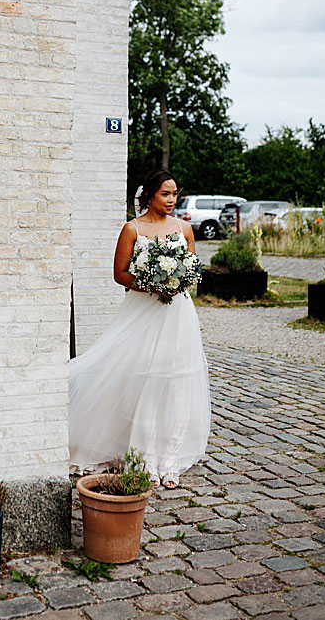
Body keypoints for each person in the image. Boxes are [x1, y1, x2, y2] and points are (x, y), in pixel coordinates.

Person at [67, 169, 211, 489]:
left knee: (177, 383)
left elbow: (190, 271)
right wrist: (151, 284)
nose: (171, 200)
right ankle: (144, 458)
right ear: (149, 195)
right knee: (145, 379)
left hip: (178, 315)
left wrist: (176, 283)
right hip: (144, 311)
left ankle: (169, 459)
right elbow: (119, 273)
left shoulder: (185, 229)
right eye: (165, 194)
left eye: (175, 194)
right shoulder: (132, 229)